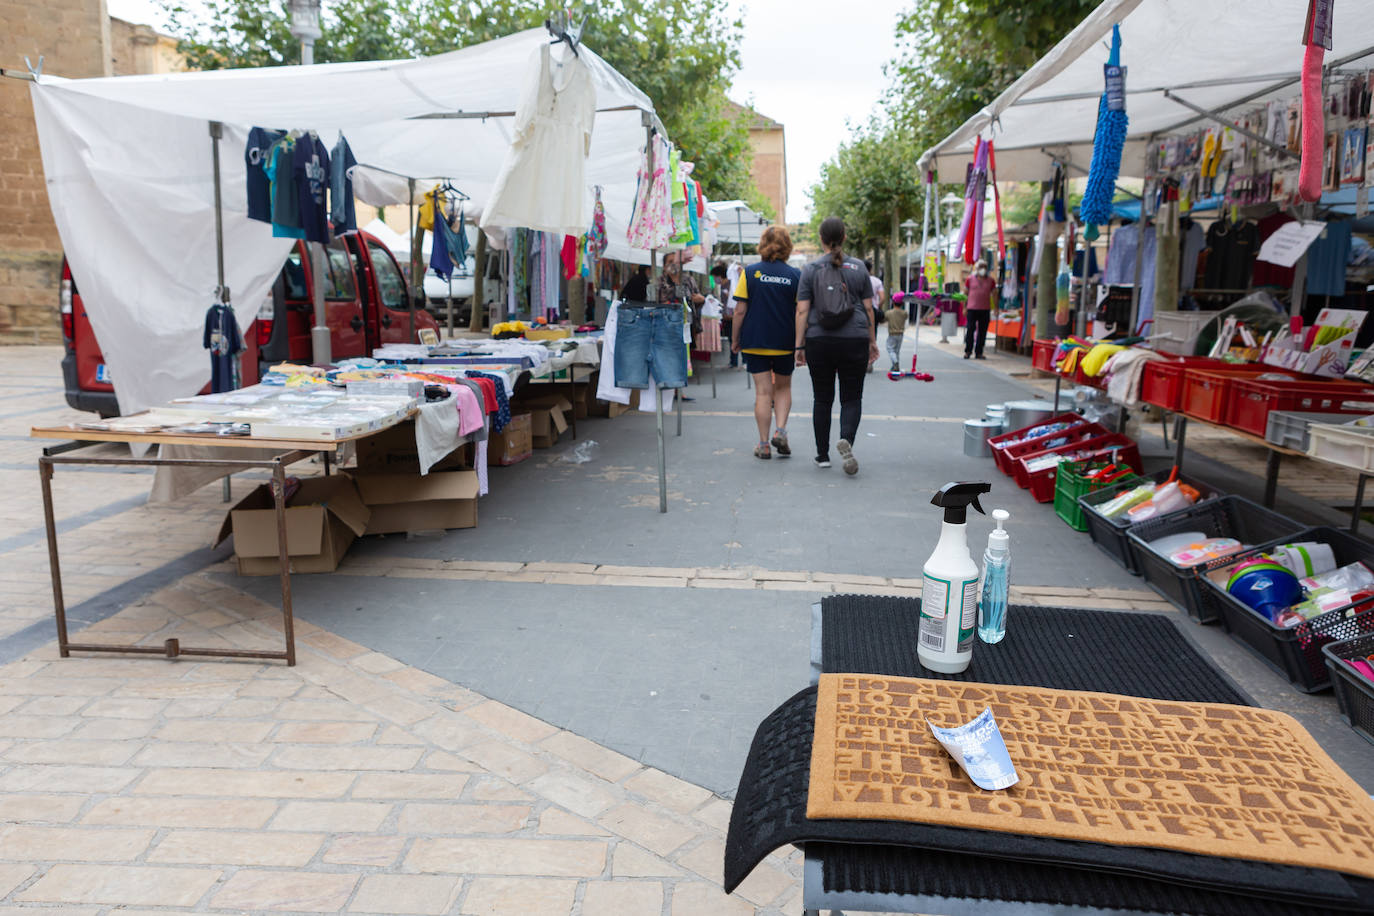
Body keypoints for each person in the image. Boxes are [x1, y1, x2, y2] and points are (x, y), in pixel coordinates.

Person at [796, 217, 878, 475]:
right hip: (854, 338)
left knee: (822, 398)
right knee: (852, 397)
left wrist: (799, 346)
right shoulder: (859, 268)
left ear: (821, 238)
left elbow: (802, 311)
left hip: (819, 340)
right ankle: (847, 441)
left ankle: (822, 455)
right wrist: (872, 340)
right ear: (844, 237)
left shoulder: (810, 269)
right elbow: (867, 308)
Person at [731, 227, 800, 459]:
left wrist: (735, 339)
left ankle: (763, 444)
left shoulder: (750, 273)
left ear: (763, 244)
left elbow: (740, 311)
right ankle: (780, 430)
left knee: (762, 393)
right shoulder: (795, 275)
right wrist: (801, 344)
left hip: (755, 339)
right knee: (783, 387)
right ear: (787, 246)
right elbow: (802, 311)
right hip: (785, 340)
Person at [964, 259, 996, 360]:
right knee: (970, 329)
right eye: (981, 267)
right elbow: (965, 294)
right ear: (977, 268)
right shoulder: (970, 279)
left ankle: (979, 352)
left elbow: (995, 294)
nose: (983, 269)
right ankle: (968, 351)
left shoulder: (991, 281)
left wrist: (996, 307)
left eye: (984, 267)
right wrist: (964, 307)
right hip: (971, 309)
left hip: (985, 309)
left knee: (982, 332)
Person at [711, 261, 739, 369]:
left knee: (735, 338)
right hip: (726, 317)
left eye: (715, 277)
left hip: (733, 317)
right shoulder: (721, 287)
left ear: (720, 276)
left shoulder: (731, 284)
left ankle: (739, 361)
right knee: (730, 339)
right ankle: (733, 361)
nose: (714, 280)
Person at [863, 259, 885, 373]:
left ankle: (861, 360)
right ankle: (869, 362)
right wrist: (878, 306)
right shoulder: (877, 281)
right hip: (873, 311)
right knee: (872, 334)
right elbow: (882, 298)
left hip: (859, 311)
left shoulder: (858, 279)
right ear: (870, 269)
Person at [884, 291, 908, 372]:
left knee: (890, 349)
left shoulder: (889, 313)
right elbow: (905, 317)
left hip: (892, 334)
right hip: (901, 334)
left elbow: (884, 319)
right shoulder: (904, 313)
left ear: (893, 302)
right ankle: (895, 366)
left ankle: (895, 362)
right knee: (897, 351)